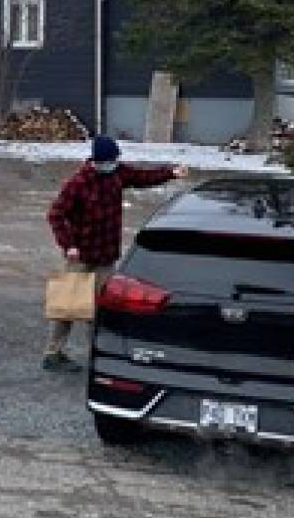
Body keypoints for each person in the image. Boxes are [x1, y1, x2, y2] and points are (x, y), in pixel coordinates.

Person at [43, 135, 188, 372]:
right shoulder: (78, 184)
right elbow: (56, 215)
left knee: (103, 308)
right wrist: (68, 244)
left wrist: (171, 173)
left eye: (115, 159)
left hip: (106, 256)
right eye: (109, 160)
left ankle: (100, 353)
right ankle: (53, 353)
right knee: (67, 306)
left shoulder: (118, 174)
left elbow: (143, 177)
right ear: (97, 161)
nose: (114, 163)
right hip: (79, 256)